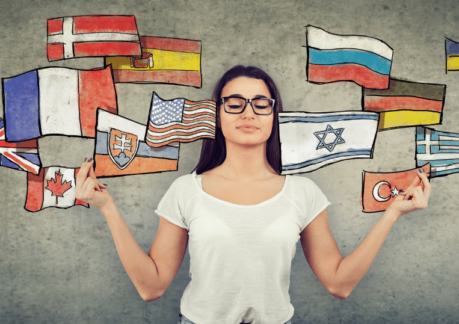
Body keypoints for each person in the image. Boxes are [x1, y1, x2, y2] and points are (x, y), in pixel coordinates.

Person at [74, 65, 432, 324]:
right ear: (218, 114)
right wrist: (106, 207)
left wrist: (392, 215)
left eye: (261, 103)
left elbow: (339, 283)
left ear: (273, 115)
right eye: (235, 103)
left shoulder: (303, 193)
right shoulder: (186, 190)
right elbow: (151, 287)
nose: (248, 112)